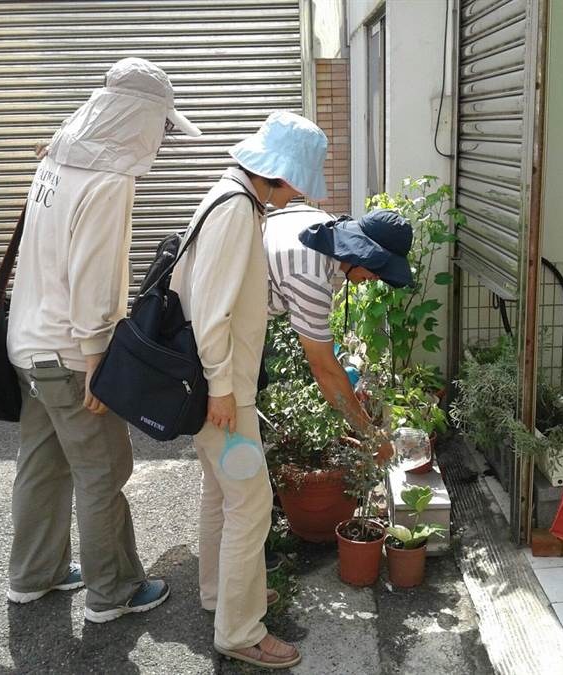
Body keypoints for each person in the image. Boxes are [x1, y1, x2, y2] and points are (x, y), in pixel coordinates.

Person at [5, 57, 202, 624]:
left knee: (42, 464)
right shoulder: (108, 179)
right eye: (163, 127)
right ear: (137, 118)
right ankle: (113, 592)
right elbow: (93, 281)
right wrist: (99, 364)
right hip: (69, 354)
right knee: (102, 472)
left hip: (28, 343)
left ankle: (33, 576)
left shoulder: (56, 156)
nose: (162, 141)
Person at [169, 111, 327, 669]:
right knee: (251, 505)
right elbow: (212, 311)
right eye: (297, 183)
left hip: (217, 386)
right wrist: (220, 390)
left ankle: (222, 595)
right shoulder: (237, 209)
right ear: (278, 174)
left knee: (222, 494)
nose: (297, 195)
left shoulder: (230, 194)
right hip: (225, 392)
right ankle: (239, 630)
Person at [264, 204, 413, 454]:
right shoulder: (309, 274)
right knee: (234, 461)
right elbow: (324, 369)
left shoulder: (321, 223)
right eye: (379, 268)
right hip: (209, 327)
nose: (378, 278)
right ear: (362, 253)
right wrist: (372, 436)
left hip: (225, 313)